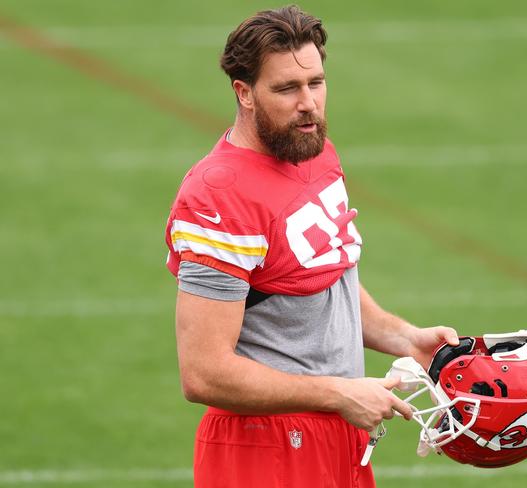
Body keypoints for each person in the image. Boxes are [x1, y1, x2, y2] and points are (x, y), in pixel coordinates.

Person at [164, 5, 459, 487]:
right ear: (245, 93)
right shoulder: (218, 197)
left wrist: (405, 337)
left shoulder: (314, 150)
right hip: (264, 448)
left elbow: (322, 278)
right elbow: (204, 373)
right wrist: (339, 393)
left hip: (338, 435)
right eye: (286, 89)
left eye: (316, 83)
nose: (309, 104)